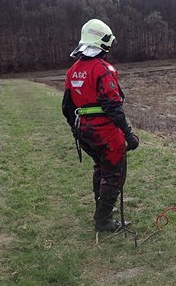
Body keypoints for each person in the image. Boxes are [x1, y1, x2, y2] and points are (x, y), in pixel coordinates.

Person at [62, 19, 139, 232]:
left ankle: (101, 210)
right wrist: (129, 135)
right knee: (114, 174)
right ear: (104, 45)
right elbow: (113, 106)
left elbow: (67, 107)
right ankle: (103, 220)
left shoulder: (72, 71)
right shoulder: (104, 70)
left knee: (100, 168)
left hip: (84, 132)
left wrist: (76, 129)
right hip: (106, 133)